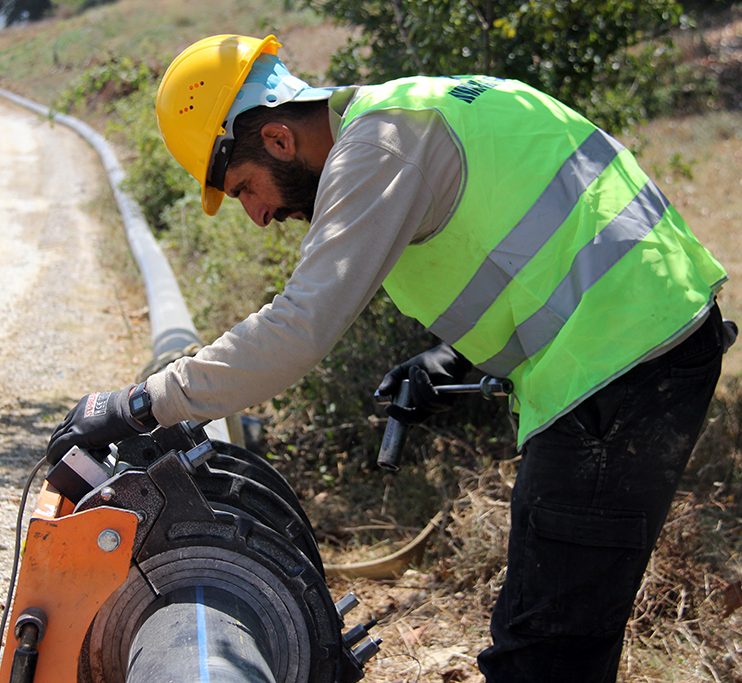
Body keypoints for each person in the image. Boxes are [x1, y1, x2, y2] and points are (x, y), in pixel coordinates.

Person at [47, 34, 735, 682]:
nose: (256, 215)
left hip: (620, 361)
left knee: (546, 644)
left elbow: (297, 329)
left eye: (246, 188)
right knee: (560, 626)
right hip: (633, 341)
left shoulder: (380, 146)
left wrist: (139, 404)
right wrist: (451, 361)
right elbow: (530, 245)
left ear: (279, 137)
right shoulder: (401, 120)